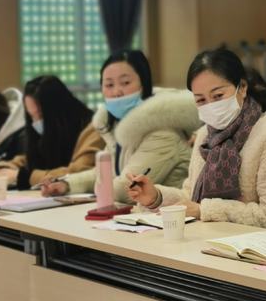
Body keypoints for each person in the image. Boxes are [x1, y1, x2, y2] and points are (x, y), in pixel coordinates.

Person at [127, 48, 266, 233]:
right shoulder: (206, 135)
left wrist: (205, 210)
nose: (211, 105)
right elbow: (192, 198)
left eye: (218, 96)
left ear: (243, 88)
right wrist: (156, 197)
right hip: (218, 242)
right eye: (200, 100)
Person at [42, 50, 200, 203]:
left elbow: (126, 189)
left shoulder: (163, 131)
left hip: (172, 219)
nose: (116, 92)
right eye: (109, 85)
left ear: (144, 84)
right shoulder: (116, 125)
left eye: (125, 83)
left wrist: (97, 187)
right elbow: (103, 174)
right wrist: (66, 185)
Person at [0, 76, 104, 189]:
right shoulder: (50, 132)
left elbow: (79, 172)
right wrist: (1, 169)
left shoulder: (93, 128)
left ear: (58, 112)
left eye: (41, 116)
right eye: (31, 117)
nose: (36, 123)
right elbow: (30, 157)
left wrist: (24, 177)